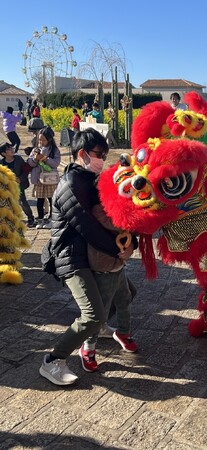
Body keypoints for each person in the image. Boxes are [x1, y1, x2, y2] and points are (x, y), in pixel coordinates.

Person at [39, 127, 135, 386]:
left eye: (105, 154)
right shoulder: (71, 184)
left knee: (128, 292)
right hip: (71, 257)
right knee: (92, 314)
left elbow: (111, 215)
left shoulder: (90, 180)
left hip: (93, 254)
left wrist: (131, 242)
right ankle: (53, 361)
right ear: (82, 154)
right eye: (98, 154)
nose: (102, 159)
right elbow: (89, 227)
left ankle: (99, 327)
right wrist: (119, 251)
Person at [85, 201, 138, 365]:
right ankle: (88, 347)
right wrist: (131, 218)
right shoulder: (97, 208)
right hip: (103, 267)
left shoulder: (121, 204)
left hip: (117, 266)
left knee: (125, 299)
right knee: (101, 309)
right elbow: (110, 223)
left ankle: (124, 332)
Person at [27, 126, 61, 229]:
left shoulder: (54, 150)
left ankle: (52, 218)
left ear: (49, 139)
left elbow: (56, 163)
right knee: (40, 200)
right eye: (39, 139)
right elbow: (30, 163)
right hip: (39, 179)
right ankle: (40, 219)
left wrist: (45, 158)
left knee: (51, 199)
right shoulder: (36, 149)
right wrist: (35, 159)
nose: (41, 141)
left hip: (50, 179)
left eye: (43, 140)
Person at [0, 142, 36, 227]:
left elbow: (25, 170)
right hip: (7, 187)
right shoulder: (1, 163)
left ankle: (30, 217)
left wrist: (20, 179)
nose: (12, 150)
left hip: (19, 185)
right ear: (3, 153)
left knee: (22, 201)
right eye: (8, 149)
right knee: (7, 202)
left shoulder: (18, 159)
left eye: (11, 148)